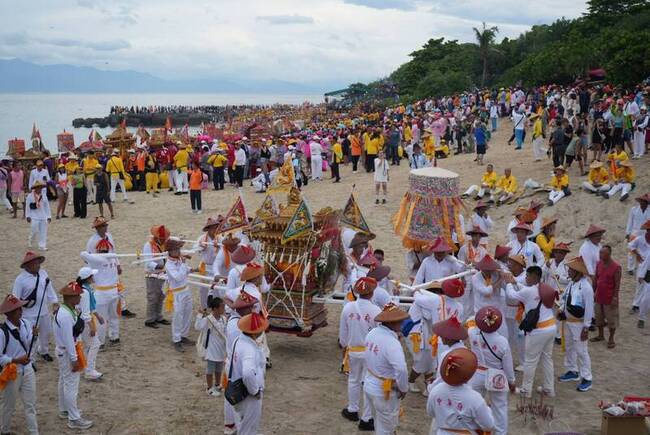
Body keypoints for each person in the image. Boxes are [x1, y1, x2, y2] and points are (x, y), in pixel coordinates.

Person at [504, 271, 558, 397]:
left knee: (530, 361)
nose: (526, 278)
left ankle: (526, 390)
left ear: (534, 277)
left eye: (528, 276)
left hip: (538, 330)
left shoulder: (528, 292)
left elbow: (512, 295)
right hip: (551, 326)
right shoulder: (543, 288)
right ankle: (549, 389)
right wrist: (514, 282)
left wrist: (508, 284)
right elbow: (525, 290)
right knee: (547, 359)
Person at [339, 277, 381, 431]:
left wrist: (344, 345)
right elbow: (379, 333)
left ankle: (352, 409)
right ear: (371, 293)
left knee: (354, 380)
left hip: (354, 350)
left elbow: (343, 334)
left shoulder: (348, 308)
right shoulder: (376, 310)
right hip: (370, 352)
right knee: (369, 383)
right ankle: (367, 417)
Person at [363, 303, 409, 435]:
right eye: (398, 321)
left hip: (370, 383)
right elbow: (401, 369)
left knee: (379, 423)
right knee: (386, 428)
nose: (401, 323)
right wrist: (403, 388)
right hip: (384, 391)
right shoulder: (391, 342)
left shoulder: (372, 333)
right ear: (391, 323)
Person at [468, 306, 515, 435]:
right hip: (496, 375)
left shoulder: (472, 333)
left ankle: (473, 430)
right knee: (499, 407)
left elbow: (470, 321)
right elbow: (508, 365)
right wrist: (511, 381)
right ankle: (500, 433)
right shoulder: (502, 342)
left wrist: (478, 319)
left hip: (477, 373)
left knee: (473, 404)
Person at [427, 348, 495, 435]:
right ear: (470, 374)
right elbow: (489, 425)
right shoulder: (475, 398)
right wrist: (488, 410)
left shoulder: (436, 390)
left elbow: (430, 412)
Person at [54, 282, 93, 430]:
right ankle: (74, 418)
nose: (80, 297)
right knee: (71, 385)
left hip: (65, 350)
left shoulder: (68, 310)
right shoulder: (65, 315)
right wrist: (74, 359)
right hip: (68, 351)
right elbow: (69, 339)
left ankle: (64, 409)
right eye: (77, 295)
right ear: (71, 297)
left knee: (64, 381)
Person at [0, 294, 39, 435]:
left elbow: (30, 346)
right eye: (17, 309)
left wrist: (35, 337)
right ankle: (4, 431)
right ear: (9, 314)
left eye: (20, 308)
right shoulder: (2, 332)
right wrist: (16, 360)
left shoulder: (26, 324)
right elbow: (0, 358)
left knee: (30, 404)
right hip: (12, 371)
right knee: (8, 405)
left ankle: (34, 432)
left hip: (27, 369)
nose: (21, 311)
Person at [12, 251, 57, 362]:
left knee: (46, 333)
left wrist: (54, 302)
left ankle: (44, 351)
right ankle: (30, 359)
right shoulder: (20, 280)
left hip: (44, 311)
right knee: (31, 337)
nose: (38, 265)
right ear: (27, 265)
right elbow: (15, 298)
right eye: (35, 263)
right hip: (28, 315)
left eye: (38, 263)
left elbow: (49, 288)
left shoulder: (43, 273)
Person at [558, 256, 594, 392]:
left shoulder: (586, 287)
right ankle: (572, 370)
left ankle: (587, 378)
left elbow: (589, 308)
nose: (568, 272)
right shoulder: (571, 283)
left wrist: (586, 327)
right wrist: (561, 309)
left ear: (578, 272)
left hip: (579, 324)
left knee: (581, 351)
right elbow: (564, 298)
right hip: (568, 321)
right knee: (569, 347)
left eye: (571, 270)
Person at [229, 312, 268, 435]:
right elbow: (247, 373)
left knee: (243, 421)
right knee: (249, 427)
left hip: (238, 388)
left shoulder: (238, 340)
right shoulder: (249, 349)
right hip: (248, 394)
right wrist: (254, 390)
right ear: (254, 332)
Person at [164, 237, 197, 352]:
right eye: (177, 249)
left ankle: (184, 335)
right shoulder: (169, 264)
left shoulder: (178, 259)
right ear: (171, 250)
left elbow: (185, 270)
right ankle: (176, 339)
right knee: (178, 316)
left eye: (179, 248)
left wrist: (192, 269)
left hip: (185, 289)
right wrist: (184, 265)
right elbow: (177, 277)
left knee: (188, 313)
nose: (179, 251)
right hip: (177, 293)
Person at [194, 296, 227, 397]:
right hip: (211, 349)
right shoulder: (208, 320)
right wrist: (199, 315)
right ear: (215, 308)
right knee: (210, 369)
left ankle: (217, 384)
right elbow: (197, 327)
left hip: (221, 348)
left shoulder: (224, 319)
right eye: (222, 307)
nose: (224, 309)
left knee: (219, 368)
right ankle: (209, 388)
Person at [76, 267, 103, 381]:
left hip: (81, 320)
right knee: (95, 344)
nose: (93, 277)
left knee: (89, 345)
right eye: (92, 275)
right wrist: (92, 326)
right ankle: (89, 370)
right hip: (85, 321)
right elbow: (86, 312)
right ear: (88, 278)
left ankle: (87, 367)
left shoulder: (82, 289)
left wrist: (97, 315)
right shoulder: (86, 292)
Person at [591, 245, 621, 348]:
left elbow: (617, 284)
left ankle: (611, 338)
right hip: (599, 296)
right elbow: (596, 279)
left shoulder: (616, 267)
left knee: (611, 319)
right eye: (600, 253)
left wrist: (615, 297)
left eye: (602, 253)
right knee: (599, 317)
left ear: (609, 254)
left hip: (609, 297)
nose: (600, 255)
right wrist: (593, 292)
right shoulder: (599, 264)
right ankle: (600, 335)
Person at [142, 224, 171, 328]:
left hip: (163, 274)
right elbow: (148, 262)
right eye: (162, 238)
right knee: (152, 297)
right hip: (152, 275)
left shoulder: (163, 244)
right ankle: (150, 319)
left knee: (161, 296)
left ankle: (158, 316)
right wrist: (162, 266)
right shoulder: (148, 245)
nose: (164, 240)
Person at [25, 181, 51, 250]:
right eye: (38, 187)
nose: (40, 189)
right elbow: (27, 206)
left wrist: (49, 216)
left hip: (43, 215)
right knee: (34, 230)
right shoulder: (30, 196)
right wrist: (27, 216)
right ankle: (30, 240)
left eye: (41, 187)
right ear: (35, 188)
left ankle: (42, 246)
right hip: (34, 216)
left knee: (43, 231)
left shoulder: (44, 195)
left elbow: (47, 206)